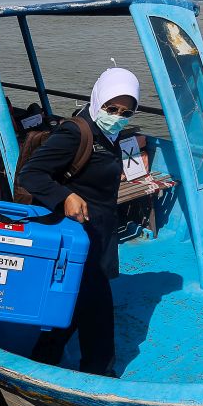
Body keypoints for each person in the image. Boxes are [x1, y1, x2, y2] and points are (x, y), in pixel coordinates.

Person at [17, 67, 140, 376]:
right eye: (111, 108)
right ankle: (100, 374)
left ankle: (44, 357)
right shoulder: (76, 132)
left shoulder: (110, 133)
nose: (117, 115)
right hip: (78, 234)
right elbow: (30, 174)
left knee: (76, 301)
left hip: (99, 229)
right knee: (97, 309)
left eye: (126, 111)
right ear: (97, 99)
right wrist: (64, 197)